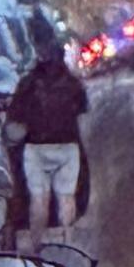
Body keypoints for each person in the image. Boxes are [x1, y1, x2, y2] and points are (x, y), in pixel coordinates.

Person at [8, 42, 88, 246]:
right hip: (67, 147)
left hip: (35, 147)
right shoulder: (72, 84)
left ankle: (37, 245)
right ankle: (67, 241)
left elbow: (16, 119)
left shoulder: (28, 84)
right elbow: (82, 109)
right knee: (66, 196)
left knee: (38, 197)